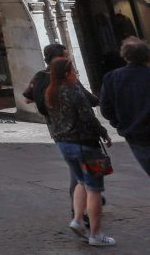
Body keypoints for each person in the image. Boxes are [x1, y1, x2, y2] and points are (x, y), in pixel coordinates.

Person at [45, 57, 115, 247]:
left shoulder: (51, 92)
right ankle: (95, 234)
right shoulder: (74, 91)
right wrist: (104, 133)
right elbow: (88, 118)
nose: (76, 74)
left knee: (81, 182)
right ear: (67, 73)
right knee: (94, 189)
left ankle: (77, 219)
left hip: (63, 143)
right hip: (84, 144)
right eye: (74, 71)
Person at [99, 37, 150, 178]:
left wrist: (119, 122)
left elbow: (105, 108)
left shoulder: (112, 78)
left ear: (125, 56)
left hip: (135, 135)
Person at [23, 42, 69, 118]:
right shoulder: (67, 76)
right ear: (59, 59)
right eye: (66, 57)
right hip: (71, 122)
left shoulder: (39, 76)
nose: (68, 59)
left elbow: (28, 100)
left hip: (52, 124)